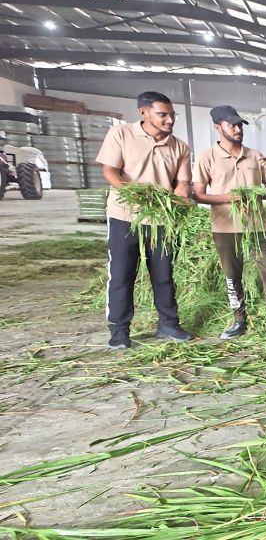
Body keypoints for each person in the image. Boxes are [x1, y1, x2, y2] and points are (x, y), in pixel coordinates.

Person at [96, 91, 194, 349]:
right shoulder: (122, 134)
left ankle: (168, 324)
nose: (170, 120)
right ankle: (119, 330)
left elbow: (182, 183)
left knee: (164, 274)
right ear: (144, 112)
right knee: (121, 274)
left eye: (172, 115)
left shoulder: (180, 147)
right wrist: (135, 195)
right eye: (163, 115)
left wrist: (178, 201)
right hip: (124, 216)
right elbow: (110, 170)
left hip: (162, 220)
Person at [192, 105, 266, 340]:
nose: (237, 129)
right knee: (232, 275)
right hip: (225, 227)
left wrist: (255, 193)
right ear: (218, 127)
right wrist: (228, 198)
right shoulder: (207, 157)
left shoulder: (255, 156)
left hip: (258, 226)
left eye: (239, 125)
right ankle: (239, 320)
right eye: (231, 125)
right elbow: (198, 194)